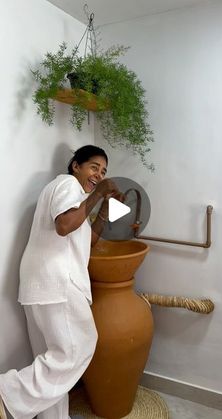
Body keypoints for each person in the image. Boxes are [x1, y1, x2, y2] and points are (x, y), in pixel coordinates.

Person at [0, 145, 122, 419]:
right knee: (78, 347)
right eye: (94, 167)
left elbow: (87, 239)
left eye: (103, 172)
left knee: (52, 364)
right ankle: (6, 393)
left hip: (39, 286)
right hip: (58, 283)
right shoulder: (67, 184)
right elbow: (64, 225)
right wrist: (99, 193)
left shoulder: (76, 200)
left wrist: (104, 206)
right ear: (75, 166)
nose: (98, 175)